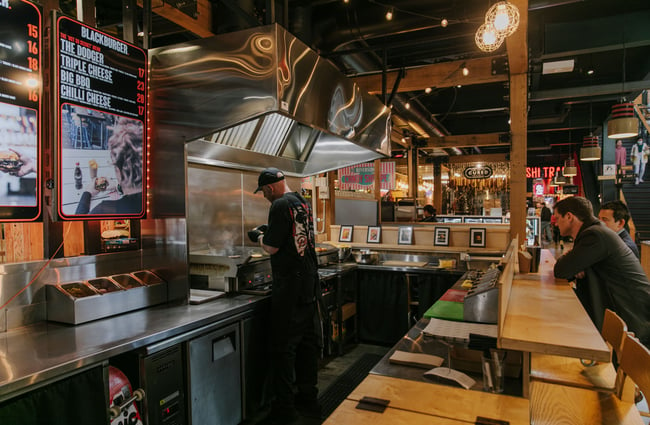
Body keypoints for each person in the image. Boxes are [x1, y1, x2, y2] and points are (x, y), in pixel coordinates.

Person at [249, 167, 322, 424]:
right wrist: (271, 229)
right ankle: (309, 399)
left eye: (264, 193)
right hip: (309, 285)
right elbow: (295, 234)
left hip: (290, 289)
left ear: (269, 189)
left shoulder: (279, 204)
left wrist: (259, 236)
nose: (265, 197)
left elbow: (271, 247)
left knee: (283, 349)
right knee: (306, 345)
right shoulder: (302, 201)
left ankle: (285, 409)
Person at [553, 196, 650, 347]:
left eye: (558, 218)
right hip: (621, 311)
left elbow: (561, 270)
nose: (555, 223)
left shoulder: (595, 235)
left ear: (569, 216)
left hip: (630, 316)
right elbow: (570, 269)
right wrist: (576, 265)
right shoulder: (594, 232)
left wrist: (574, 264)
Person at [75, 118, 143, 215]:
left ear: (118, 172)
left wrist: (88, 192)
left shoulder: (104, 210)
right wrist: (117, 186)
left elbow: (77, 222)